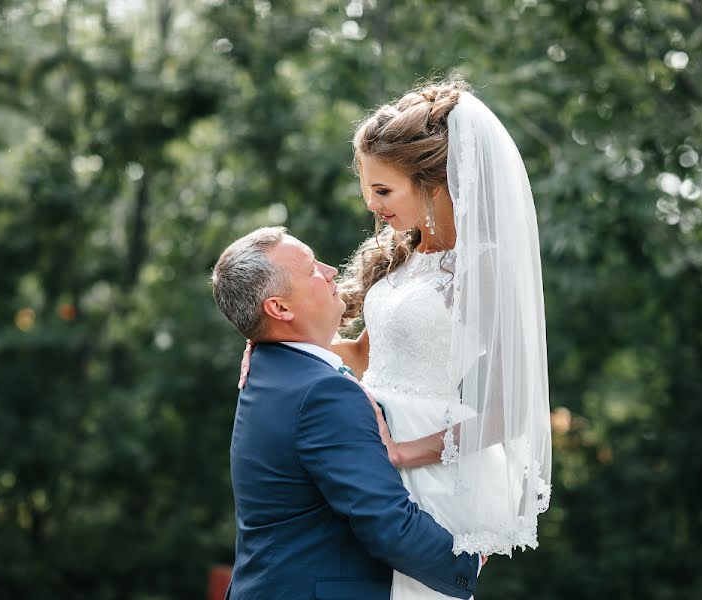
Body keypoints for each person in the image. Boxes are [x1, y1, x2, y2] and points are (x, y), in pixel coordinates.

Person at [240, 77, 552, 599]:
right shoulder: (400, 254)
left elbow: (511, 406)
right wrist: (272, 346)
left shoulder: (484, 266)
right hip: (367, 440)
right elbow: (364, 354)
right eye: (367, 191)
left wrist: (404, 452)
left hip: (429, 457)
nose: (373, 206)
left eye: (383, 191)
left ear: (433, 183)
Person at [211, 227, 483, 600]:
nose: (330, 271)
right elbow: (385, 521)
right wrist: (470, 562)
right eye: (311, 270)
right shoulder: (323, 392)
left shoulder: (268, 366)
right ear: (279, 308)